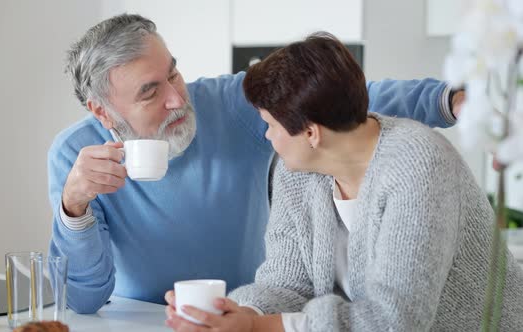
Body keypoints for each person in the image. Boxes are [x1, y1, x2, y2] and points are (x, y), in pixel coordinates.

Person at [48, 14, 462, 314]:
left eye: (173, 75)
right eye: (150, 92)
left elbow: (338, 101)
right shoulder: (75, 156)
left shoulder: (227, 104)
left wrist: (450, 100)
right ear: (102, 112)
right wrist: (74, 209)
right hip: (146, 322)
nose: (177, 99)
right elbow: (85, 300)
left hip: (251, 311)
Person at [163, 32, 523, 331]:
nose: (268, 137)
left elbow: (395, 321)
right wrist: (239, 313)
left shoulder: (419, 166)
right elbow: (286, 283)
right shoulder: (297, 173)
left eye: (271, 125)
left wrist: (263, 327)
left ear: (310, 132)